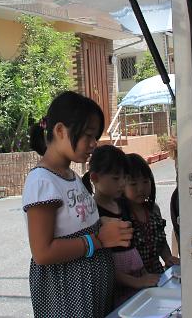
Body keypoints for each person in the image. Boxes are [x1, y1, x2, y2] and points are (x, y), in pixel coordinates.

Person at [23, 91, 133, 318]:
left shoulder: (69, 176)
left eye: (95, 136)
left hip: (89, 290)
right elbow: (42, 252)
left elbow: (74, 224)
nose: (93, 144)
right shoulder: (42, 181)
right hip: (67, 294)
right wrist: (99, 240)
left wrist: (101, 222)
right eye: (88, 135)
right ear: (60, 131)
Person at [83, 145, 159, 306]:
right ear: (95, 178)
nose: (122, 183)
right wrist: (138, 282)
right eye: (116, 178)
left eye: (124, 177)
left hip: (137, 277)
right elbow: (106, 265)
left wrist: (143, 274)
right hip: (119, 287)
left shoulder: (122, 204)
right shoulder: (93, 212)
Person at [124, 153, 179, 274]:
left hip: (157, 274)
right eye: (133, 184)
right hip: (134, 280)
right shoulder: (121, 215)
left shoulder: (154, 210)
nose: (141, 188)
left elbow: (161, 242)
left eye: (145, 181)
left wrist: (168, 258)